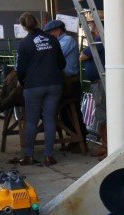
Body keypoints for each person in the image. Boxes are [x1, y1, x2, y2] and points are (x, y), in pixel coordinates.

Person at [15, 12, 66, 167]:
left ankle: (29, 155)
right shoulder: (52, 39)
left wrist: (22, 81)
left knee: (31, 121)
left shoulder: (24, 43)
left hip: (34, 86)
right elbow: (62, 64)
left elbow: (20, 69)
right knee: (50, 118)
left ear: (23, 26)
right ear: (37, 22)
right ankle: (48, 156)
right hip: (54, 84)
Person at [45, 19, 87, 154]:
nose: (50, 34)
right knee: (65, 114)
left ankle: (82, 142)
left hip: (70, 82)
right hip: (63, 82)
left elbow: (54, 56)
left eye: (51, 32)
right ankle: (74, 140)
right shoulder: (57, 42)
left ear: (58, 30)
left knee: (73, 112)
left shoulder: (67, 40)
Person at [80, 15, 106, 157]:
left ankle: (107, 147)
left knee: (103, 113)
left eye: (90, 23)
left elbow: (83, 56)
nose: (89, 27)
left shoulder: (99, 38)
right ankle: (105, 145)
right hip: (98, 82)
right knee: (101, 113)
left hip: (100, 82)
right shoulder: (98, 39)